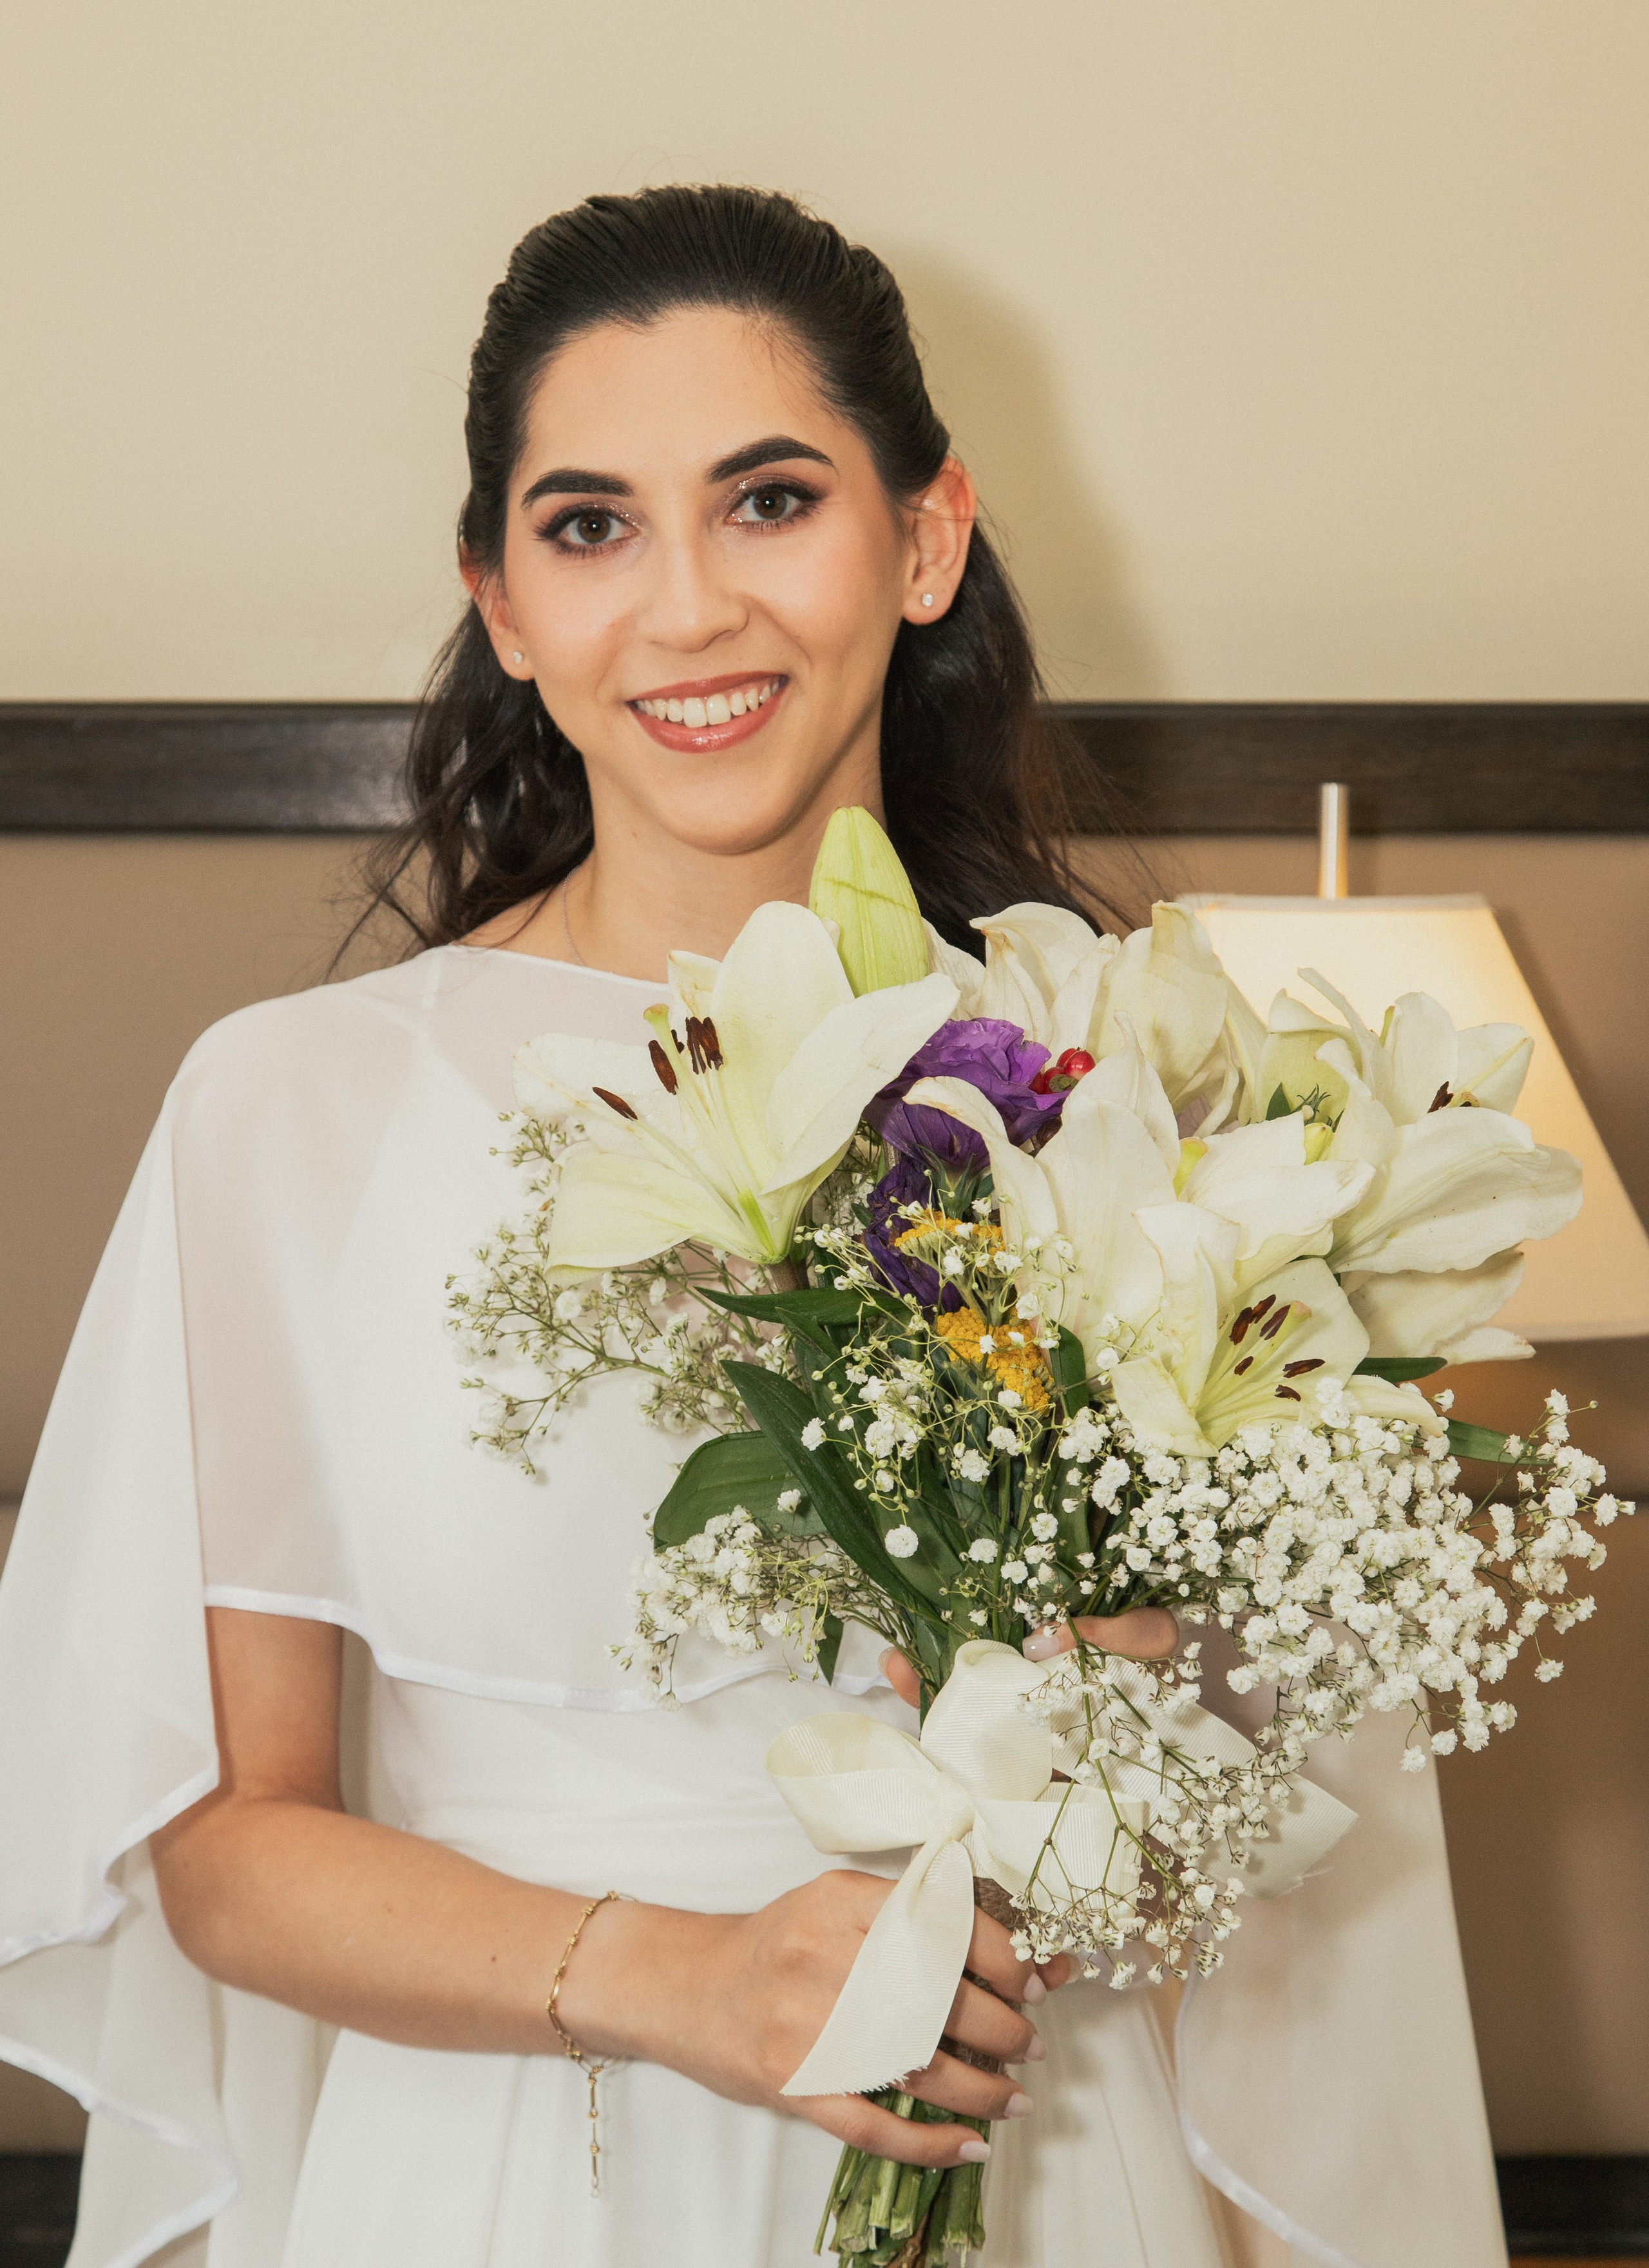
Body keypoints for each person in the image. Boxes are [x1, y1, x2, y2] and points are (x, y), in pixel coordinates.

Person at [0, 187, 1506, 2268]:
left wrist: (1122, 1719)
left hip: (1044, 2161)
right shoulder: (289, 1107)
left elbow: (1282, 1902)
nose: (689, 607)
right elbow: (226, 1854)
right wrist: (680, 1979)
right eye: (592, 525)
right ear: (501, 600)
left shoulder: (1149, 1096)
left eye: (770, 499)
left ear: (926, 536)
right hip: (512, 2177)